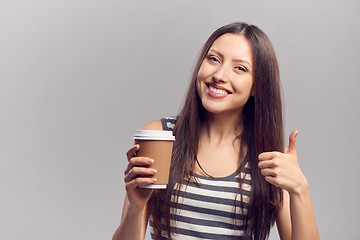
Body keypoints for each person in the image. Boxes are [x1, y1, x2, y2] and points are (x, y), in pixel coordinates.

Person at [113, 22, 319, 240]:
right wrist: (135, 207)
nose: (220, 74)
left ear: (257, 86)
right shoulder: (161, 137)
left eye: (240, 68)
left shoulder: (269, 160)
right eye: (214, 59)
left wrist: (300, 190)